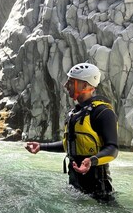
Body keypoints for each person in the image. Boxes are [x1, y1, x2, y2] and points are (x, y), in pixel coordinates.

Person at [25, 62, 118, 202]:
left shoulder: (103, 112)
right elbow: (69, 145)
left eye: (71, 82)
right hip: (75, 187)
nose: (65, 85)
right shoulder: (75, 113)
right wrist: (41, 146)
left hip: (99, 191)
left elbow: (112, 149)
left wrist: (91, 161)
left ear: (86, 85)